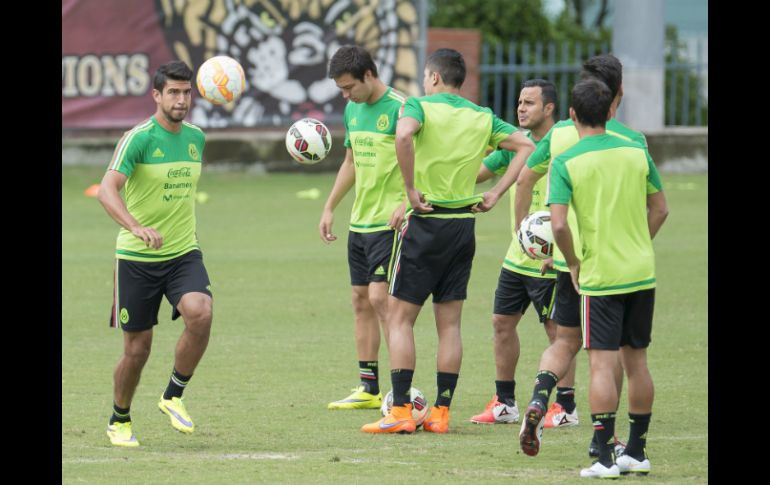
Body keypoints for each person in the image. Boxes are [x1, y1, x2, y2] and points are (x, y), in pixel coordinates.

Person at [361, 48, 535, 434]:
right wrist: (496, 194)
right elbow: (526, 145)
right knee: (449, 324)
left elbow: (404, 135)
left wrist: (409, 189)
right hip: (462, 227)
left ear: (434, 78)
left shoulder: (418, 108)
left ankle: (402, 410)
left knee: (400, 318)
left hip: (426, 222)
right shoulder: (482, 116)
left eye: (426, 77)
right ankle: (441, 412)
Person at [521, 77, 668, 477]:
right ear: (609, 112)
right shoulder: (637, 151)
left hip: (599, 277)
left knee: (601, 365)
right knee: (636, 363)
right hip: (640, 271)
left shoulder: (567, 160)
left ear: (570, 115)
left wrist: (572, 262)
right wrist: (639, 245)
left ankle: (604, 458)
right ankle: (636, 452)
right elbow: (660, 208)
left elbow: (560, 225)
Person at [98, 60, 213, 447]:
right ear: (157, 96)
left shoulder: (197, 137)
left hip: (183, 253)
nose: (181, 100)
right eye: (174, 93)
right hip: (137, 259)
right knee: (137, 350)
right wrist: (135, 226)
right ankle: (120, 419)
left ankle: (173, 395)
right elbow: (106, 189)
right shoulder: (139, 138)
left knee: (201, 313)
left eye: (186, 92)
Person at [469, 79, 582, 426]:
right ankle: (504, 402)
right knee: (501, 323)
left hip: (553, 257)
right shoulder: (514, 148)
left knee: (558, 332)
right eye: (519, 102)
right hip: (518, 256)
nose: (520, 108)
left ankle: (564, 407)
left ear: (549, 108)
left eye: (529, 103)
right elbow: (476, 174)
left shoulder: (565, 143)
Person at [320, 45, 407, 410]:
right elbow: (351, 162)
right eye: (340, 89)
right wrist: (329, 206)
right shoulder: (353, 109)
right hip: (361, 222)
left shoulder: (403, 108)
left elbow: (428, 162)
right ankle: (369, 387)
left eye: (349, 87)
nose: (345, 94)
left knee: (380, 299)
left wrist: (408, 203)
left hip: (391, 222)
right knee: (360, 301)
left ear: (369, 75)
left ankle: (400, 388)